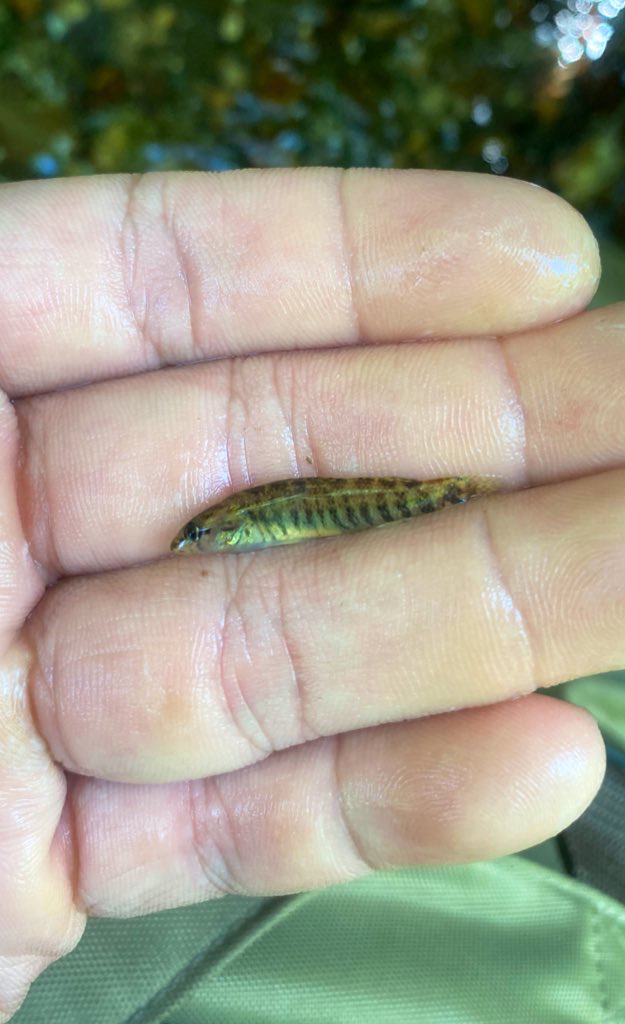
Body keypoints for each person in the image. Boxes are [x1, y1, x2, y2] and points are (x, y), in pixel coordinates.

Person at [0, 167, 621, 1022]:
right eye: (202, 539)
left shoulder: (236, 524)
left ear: (226, 533)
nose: (197, 543)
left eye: (203, 537)